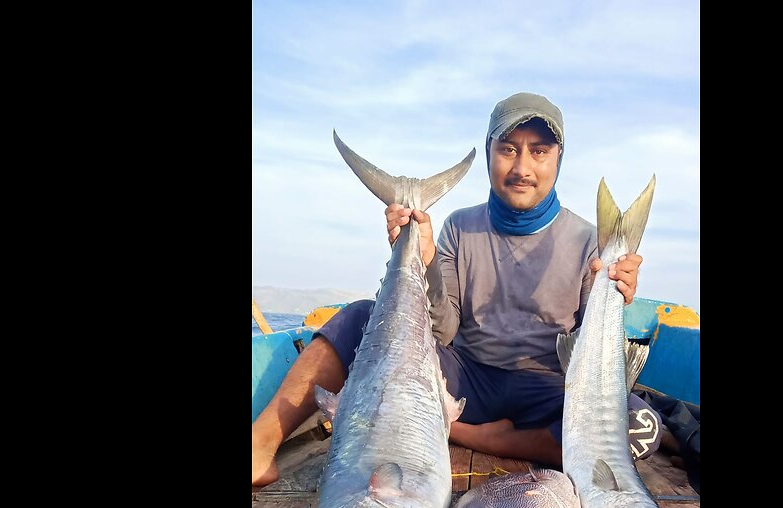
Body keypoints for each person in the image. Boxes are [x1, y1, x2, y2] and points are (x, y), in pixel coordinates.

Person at [253, 92, 660, 487]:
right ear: (488, 153)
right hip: (465, 378)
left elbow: (588, 354)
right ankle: (261, 442)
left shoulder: (589, 241)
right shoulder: (459, 228)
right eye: (508, 149)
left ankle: (466, 434)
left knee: (641, 428)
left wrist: (619, 295)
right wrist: (426, 259)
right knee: (360, 317)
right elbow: (442, 332)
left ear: (558, 159)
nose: (522, 167)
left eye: (538, 151)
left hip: (548, 386)